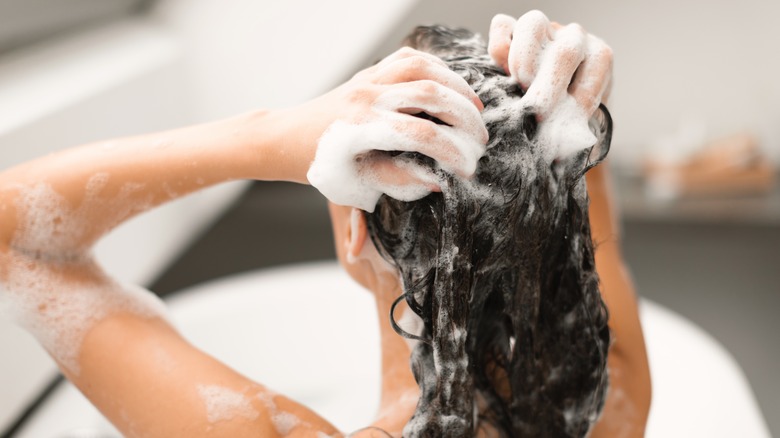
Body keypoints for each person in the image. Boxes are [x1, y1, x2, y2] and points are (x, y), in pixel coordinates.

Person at [0, 10, 650, 438]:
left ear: (353, 231)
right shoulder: (606, 406)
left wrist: (271, 134)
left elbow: (13, 241)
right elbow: (578, 222)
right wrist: (565, 111)